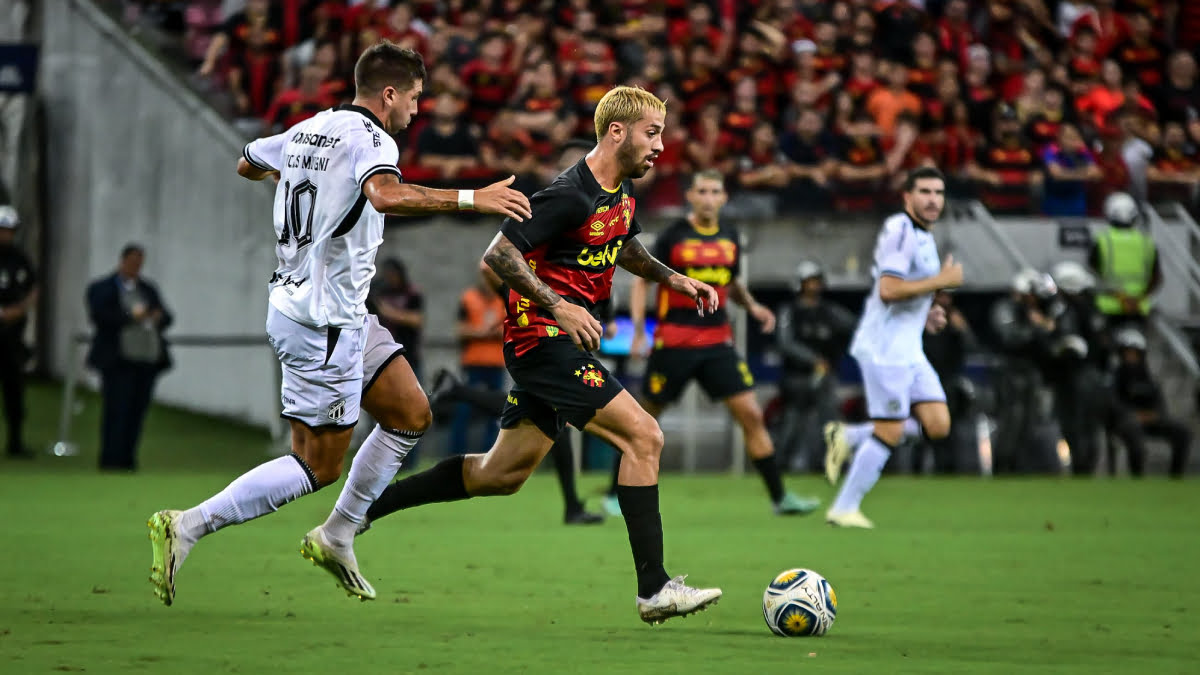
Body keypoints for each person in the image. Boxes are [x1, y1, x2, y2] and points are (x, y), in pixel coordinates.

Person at [146, 42, 532, 607]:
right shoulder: (373, 139)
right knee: (317, 464)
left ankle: (338, 534)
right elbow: (385, 195)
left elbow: (248, 162)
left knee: (410, 414)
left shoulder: (309, 128)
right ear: (389, 94)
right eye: (414, 99)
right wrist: (474, 198)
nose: (416, 111)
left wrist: (312, 194)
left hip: (336, 312)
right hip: (320, 321)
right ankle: (188, 525)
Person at [363, 86, 724, 624]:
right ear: (617, 132)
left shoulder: (621, 191)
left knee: (500, 474)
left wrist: (674, 279)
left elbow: (622, 244)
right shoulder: (568, 193)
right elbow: (498, 253)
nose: (661, 146)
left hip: (561, 343)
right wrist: (559, 305)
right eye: (652, 133)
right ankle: (654, 588)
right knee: (645, 437)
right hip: (542, 340)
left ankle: (367, 507)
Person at [603, 170, 818, 516]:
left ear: (723, 198)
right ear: (690, 196)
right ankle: (614, 494)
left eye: (714, 191)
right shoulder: (674, 235)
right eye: (701, 191)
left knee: (751, 415)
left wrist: (753, 307)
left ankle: (780, 498)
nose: (708, 198)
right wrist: (640, 331)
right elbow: (643, 280)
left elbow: (731, 282)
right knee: (643, 419)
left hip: (717, 342)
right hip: (674, 342)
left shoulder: (730, 236)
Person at [823, 167, 963, 528]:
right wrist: (941, 281)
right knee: (889, 431)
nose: (933, 200)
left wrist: (926, 313)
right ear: (907, 197)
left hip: (909, 347)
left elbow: (905, 291)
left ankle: (850, 435)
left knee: (938, 424)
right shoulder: (901, 230)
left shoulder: (924, 236)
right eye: (925, 192)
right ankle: (844, 508)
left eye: (938, 192)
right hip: (884, 349)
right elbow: (888, 290)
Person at [86, 244, 173, 472]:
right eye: (132, 262)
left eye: (139, 263)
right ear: (122, 261)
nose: (136, 267)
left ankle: (128, 459)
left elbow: (166, 316)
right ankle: (110, 460)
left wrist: (156, 316)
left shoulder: (147, 289)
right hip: (118, 361)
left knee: (137, 412)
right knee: (116, 411)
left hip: (146, 360)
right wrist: (131, 316)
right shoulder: (102, 288)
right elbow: (99, 315)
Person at [774, 260, 857, 472]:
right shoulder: (789, 311)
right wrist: (812, 360)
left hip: (825, 376)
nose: (814, 286)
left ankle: (837, 465)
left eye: (817, 281)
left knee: (830, 419)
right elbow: (785, 343)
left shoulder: (830, 311)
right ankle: (778, 467)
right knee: (792, 422)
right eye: (809, 281)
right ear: (800, 284)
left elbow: (855, 327)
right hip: (797, 377)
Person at [1112, 327, 1191, 477]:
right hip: (1128, 422)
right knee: (1134, 435)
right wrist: (1133, 415)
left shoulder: (1148, 377)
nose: (1131, 357)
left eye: (1134, 353)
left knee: (1183, 432)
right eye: (1127, 353)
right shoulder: (1116, 378)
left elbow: (1159, 403)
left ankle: (1176, 477)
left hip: (1151, 419)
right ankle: (1137, 477)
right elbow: (1114, 404)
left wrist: (1155, 415)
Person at [449, 272, 506, 455]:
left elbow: (512, 329)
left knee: (496, 412)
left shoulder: (504, 299)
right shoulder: (468, 298)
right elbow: (459, 330)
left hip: (497, 364)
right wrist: (480, 333)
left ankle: (490, 454)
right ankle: (457, 453)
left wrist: (497, 333)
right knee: (464, 409)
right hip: (473, 363)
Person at [1088, 191, 1159, 329]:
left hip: (1108, 307)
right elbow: (1156, 278)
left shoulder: (1102, 241)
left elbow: (1093, 274)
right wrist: (1137, 300)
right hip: (1138, 308)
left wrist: (1121, 298)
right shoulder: (1147, 242)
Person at [0, 206, 36, 459]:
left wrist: (20, 309)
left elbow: (33, 287)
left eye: (9, 230)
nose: (5, 235)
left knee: (14, 389)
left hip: (12, 336)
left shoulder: (19, 258)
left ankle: (15, 441)